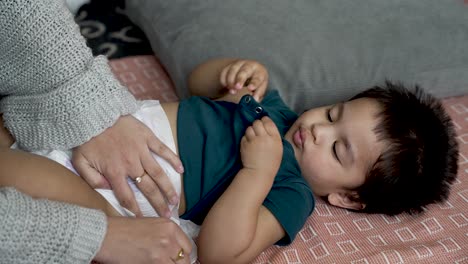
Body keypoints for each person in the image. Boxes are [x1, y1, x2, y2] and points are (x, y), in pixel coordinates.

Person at [1, 57, 459, 263]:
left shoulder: (290, 194)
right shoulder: (274, 110)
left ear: (347, 197)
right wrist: (230, 72)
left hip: (106, 190)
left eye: (338, 149)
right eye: (334, 114)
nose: (319, 129)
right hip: (99, 124)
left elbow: (221, 251)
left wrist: (257, 173)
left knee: (23, 173)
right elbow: (198, 86)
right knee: (15, 111)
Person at [0, 0, 192, 263]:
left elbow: (226, 247)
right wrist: (97, 236)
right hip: (96, 198)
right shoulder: (260, 106)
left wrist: (82, 99)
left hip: (105, 199)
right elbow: (206, 80)